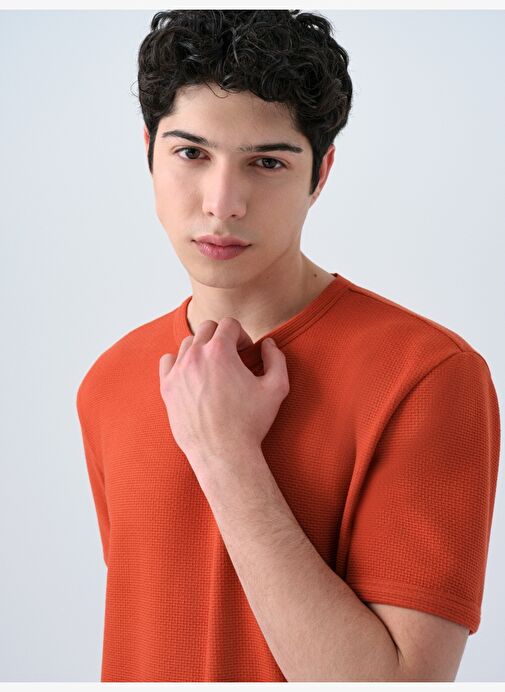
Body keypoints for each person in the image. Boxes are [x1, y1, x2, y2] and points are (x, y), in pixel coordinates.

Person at [76, 10, 500, 683]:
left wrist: (225, 455)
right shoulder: (110, 380)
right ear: (148, 151)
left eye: (267, 162)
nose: (222, 203)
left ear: (320, 172)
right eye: (191, 153)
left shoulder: (426, 377)